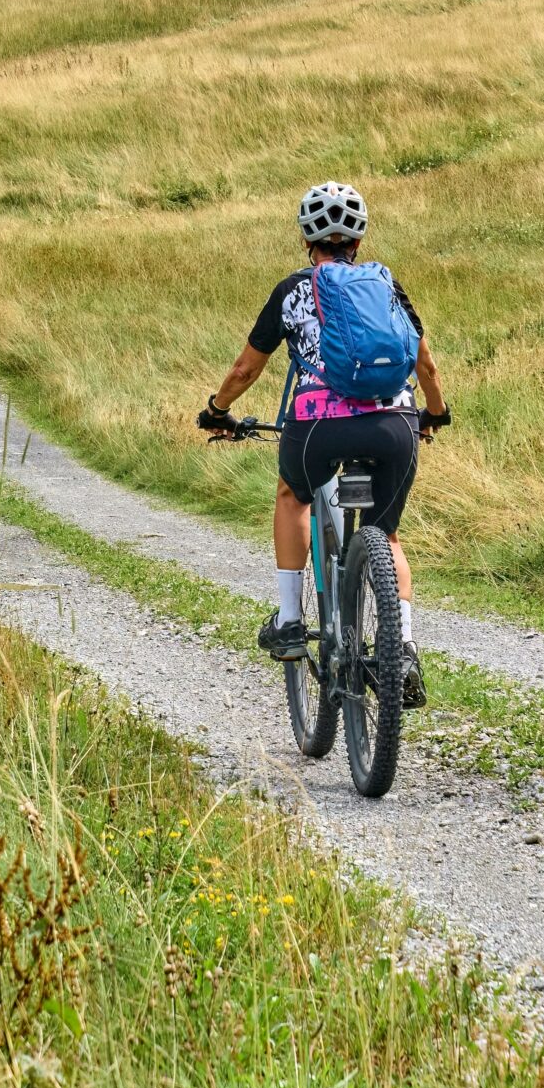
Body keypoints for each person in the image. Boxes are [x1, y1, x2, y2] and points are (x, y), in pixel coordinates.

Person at [197, 181, 450, 708]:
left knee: (295, 493)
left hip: (318, 426)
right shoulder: (386, 286)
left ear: (306, 239)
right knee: (390, 536)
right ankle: (400, 648)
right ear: (358, 239)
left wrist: (217, 411)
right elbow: (425, 362)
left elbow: (246, 368)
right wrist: (435, 412)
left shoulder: (293, 290)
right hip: (395, 425)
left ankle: (290, 621)